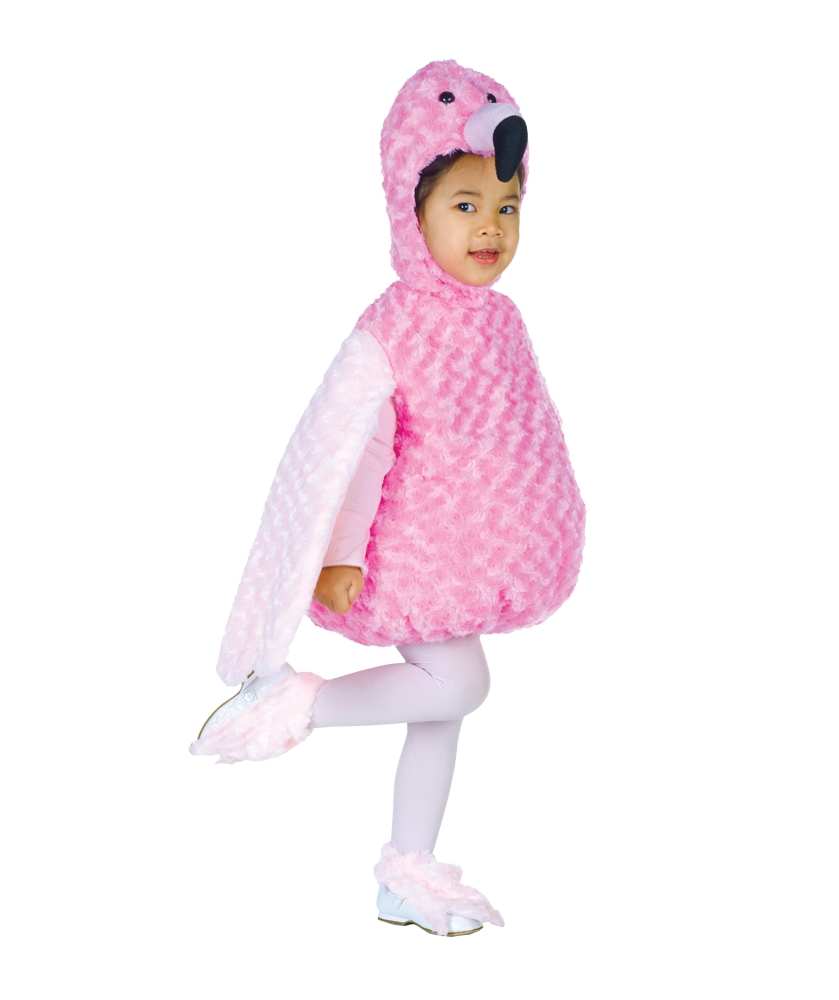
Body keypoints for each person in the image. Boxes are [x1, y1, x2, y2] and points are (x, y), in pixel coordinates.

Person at [190, 60, 585, 937]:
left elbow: (519, 428)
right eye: (465, 205)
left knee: (439, 708)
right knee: (457, 684)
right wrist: (337, 555)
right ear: (412, 212)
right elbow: (353, 443)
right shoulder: (399, 323)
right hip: (407, 553)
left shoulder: (499, 320)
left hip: (466, 560)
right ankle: (295, 704)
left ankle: (409, 869)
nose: (490, 229)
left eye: (507, 207)